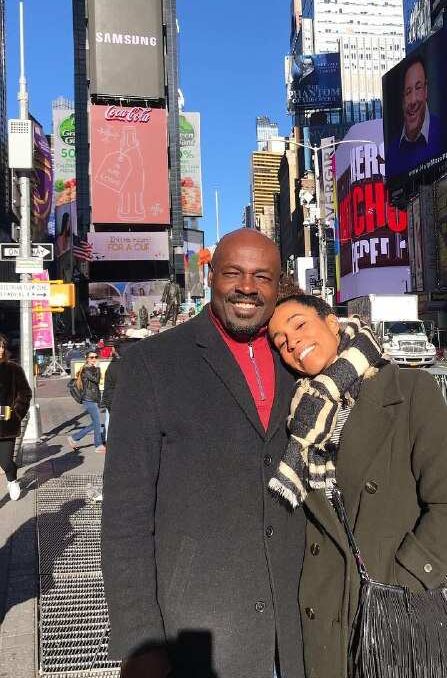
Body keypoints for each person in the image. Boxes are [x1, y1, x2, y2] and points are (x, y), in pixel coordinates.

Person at [101, 229, 305, 678]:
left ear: (278, 285)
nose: (247, 287)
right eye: (233, 273)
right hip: (201, 630)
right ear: (212, 276)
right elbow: (125, 515)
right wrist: (140, 641)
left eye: (262, 277)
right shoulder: (151, 365)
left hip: (299, 630)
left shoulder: (300, 361)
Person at [267, 294, 447, 678]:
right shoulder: (296, 417)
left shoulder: (409, 390)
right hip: (325, 611)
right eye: (280, 341)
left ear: (332, 322)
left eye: (298, 325)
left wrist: (404, 580)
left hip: (397, 605)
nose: (292, 342)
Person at [386, 54, 442, 178]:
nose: (413, 100)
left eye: (418, 88)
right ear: (401, 100)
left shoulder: (444, 131)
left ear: (426, 90)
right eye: (408, 92)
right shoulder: (392, 153)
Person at [0, 335, 32, 501]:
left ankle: (12, 481)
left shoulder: (13, 368)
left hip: (6, 425)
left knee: (6, 462)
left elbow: (26, 394)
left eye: (2, 347)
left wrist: (15, 414)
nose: (0, 350)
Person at [67, 352, 105, 454]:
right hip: (89, 400)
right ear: (87, 359)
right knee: (97, 422)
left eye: (96, 357)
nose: (94, 359)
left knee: (95, 423)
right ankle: (98, 445)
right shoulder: (86, 370)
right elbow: (96, 380)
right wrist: (97, 368)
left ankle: (74, 438)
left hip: (93, 399)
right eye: (91, 357)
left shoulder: (91, 368)